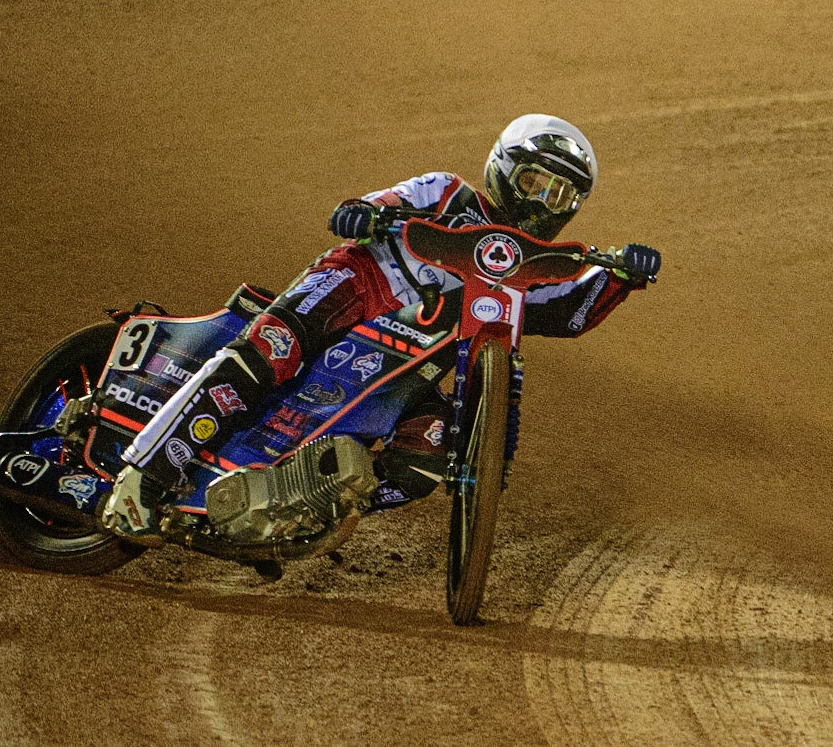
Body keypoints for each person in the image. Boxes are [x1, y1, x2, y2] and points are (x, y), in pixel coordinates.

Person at [103, 114, 661, 536]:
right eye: (537, 183)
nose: (544, 202)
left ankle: (305, 502)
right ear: (505, 168)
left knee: (429, 451)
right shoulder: (447, 191)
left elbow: (568, 310)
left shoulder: (536, 267)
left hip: (408, 364)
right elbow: (381, 202)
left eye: (561, 194)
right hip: (357, 286)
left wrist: (623, 277)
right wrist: (364, 210)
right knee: (270, 352)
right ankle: (143, 478)